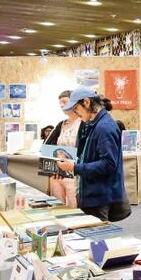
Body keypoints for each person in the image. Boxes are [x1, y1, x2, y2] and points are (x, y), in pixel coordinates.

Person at [54, 87, 128, 221]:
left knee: (96, 238)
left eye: (76, 108)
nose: (75, 113)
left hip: (99, 196)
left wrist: (74, 167)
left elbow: (108, 164)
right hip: (92, 193)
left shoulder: (104, 127)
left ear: (86, 103)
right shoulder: (94, 124)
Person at [44, 90, 84, 207]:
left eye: (64, 102)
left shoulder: (83, 123)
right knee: (57, 205)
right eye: (60, 103)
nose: (61, 105)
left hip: (74, 172)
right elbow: (47, 145)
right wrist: (53, 168)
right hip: (57, 172)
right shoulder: (61, 124)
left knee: (73, 205)